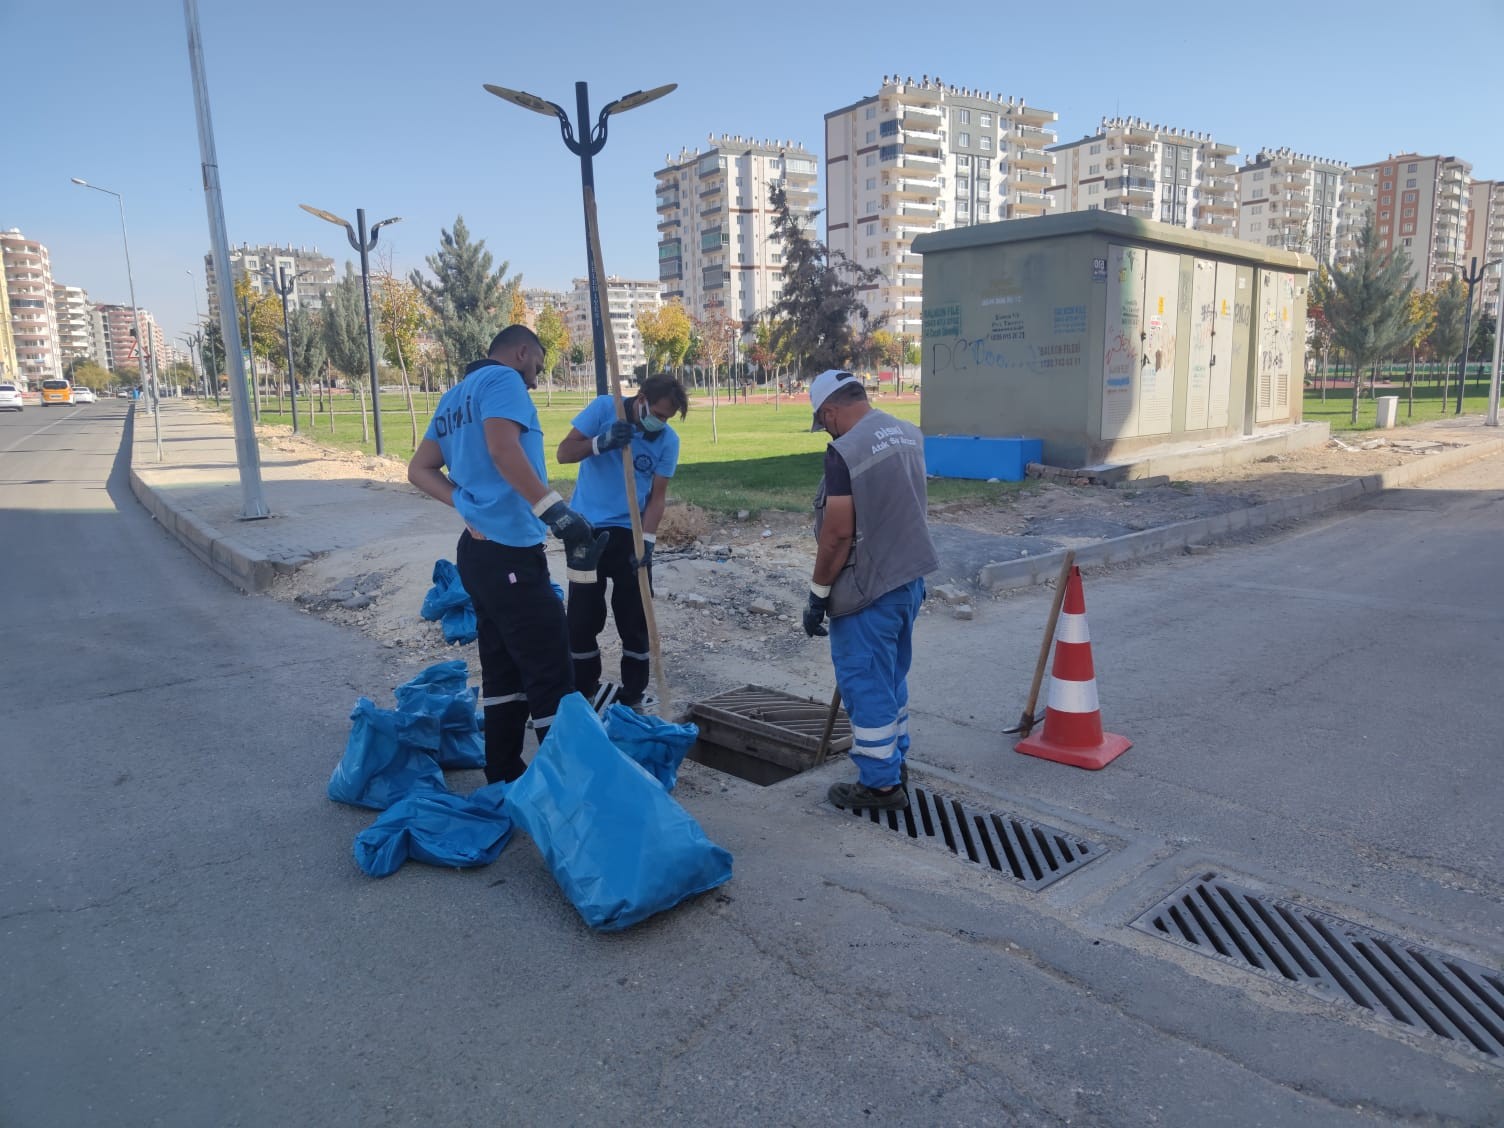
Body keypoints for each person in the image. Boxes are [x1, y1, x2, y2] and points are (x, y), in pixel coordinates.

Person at [407, 324, 607, 784]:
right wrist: (554, 510)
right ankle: (568, 790)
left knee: (502, 670)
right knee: (550, 673)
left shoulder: (455, 395)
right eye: (537, 363)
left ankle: (503, 774)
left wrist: (465, 503)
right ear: (521, 352)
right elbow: (502, 448)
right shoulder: (503, 381)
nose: (537, 376)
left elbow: (419, 469)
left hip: (477, 557)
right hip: (511, 556)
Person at [801, 369, 938, 812]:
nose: (827, 430)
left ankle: (880, 786)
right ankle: (894, 761)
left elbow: (838, 534)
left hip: (869, 591)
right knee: (891, 677)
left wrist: (818, 593)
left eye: (824, 422)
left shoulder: (845, 451)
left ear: (830, 411)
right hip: (909, 579)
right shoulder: (908, 433)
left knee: (865, 682)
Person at [555, 373, 688, 711]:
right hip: (586, 533)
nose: (659, 423)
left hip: (630, 533)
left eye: (666, 418)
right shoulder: (604, 409)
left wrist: (647, 541)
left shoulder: (667, 441)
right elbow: (564, 453)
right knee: (583, 617)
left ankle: (633, 695)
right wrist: (601, 442)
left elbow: (657, 498)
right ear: (641, 398)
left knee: (635, 617)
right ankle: (583, 690)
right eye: (657, 414)